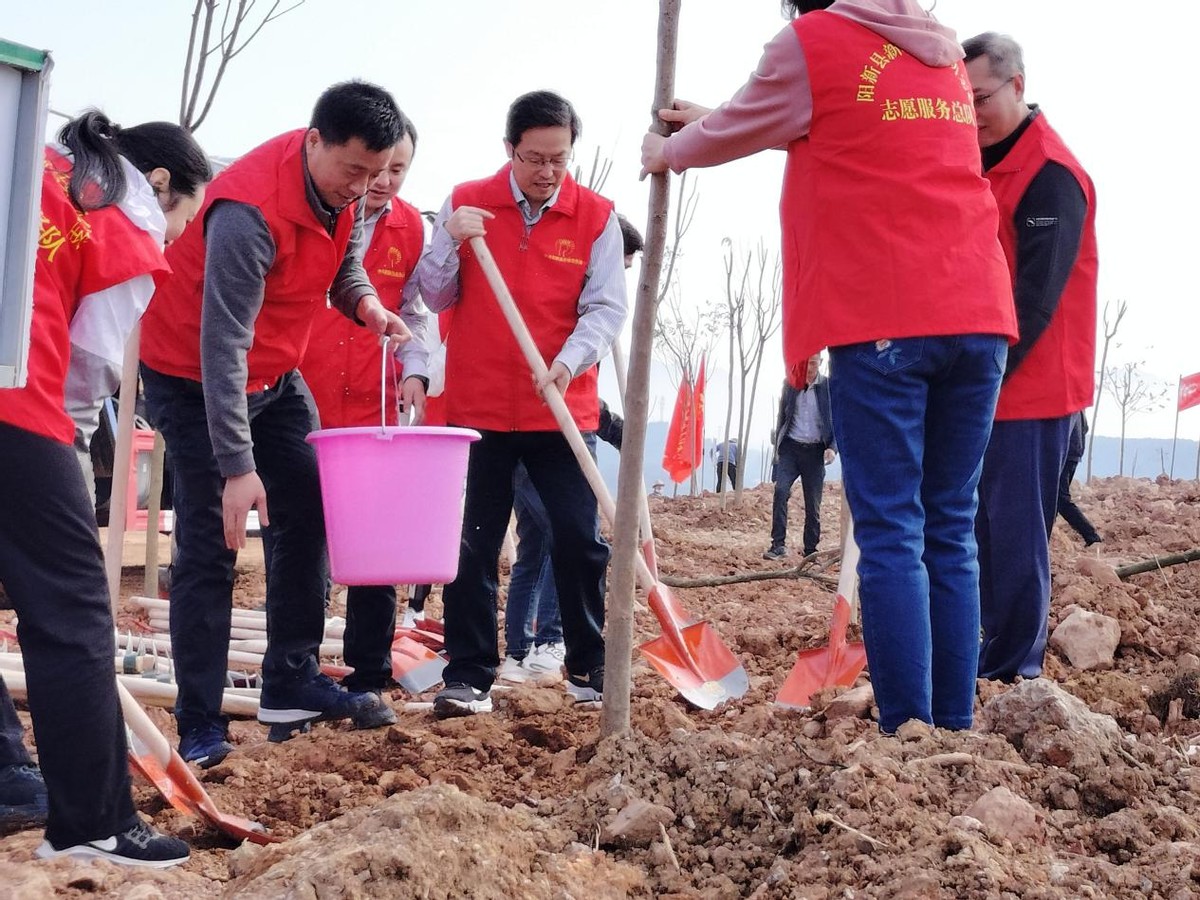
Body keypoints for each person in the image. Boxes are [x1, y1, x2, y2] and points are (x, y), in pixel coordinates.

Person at [642, 0, 1016, 734]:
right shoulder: (938, 50)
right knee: (948, 525)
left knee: (891, 529)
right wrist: (717, 117)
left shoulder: (813, 40)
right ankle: (951, 726)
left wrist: (667, 153)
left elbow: (746, 126)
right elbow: (853, 134)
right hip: (978, 310)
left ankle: (909, 728)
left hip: (887, 312)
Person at [139, 81, 411, 763]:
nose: (364, 187)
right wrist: (236, 467)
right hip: (195, 376)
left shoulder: (343, 195)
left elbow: (343, 265)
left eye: (377, 174)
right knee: (213, 544)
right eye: (353, 170)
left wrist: (368, 306)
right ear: (313, 140)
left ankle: (290, 678)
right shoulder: (247, 213)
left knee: (311, 503)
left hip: (277, 377)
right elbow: (221, 345)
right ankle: (200, 720)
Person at [0, 110, 209, 865]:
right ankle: (92, 823)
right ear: (160, 185)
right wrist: (66, 466)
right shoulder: (124, 222)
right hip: (17, 406)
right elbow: (86, 378)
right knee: (71, 615)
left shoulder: (38, 166)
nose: (179, 235)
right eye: (185, 216)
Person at [416, 90, 628, 717]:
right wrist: (449, 240)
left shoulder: (596, 217)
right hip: (479, 410)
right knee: (474, 545)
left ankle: (588, 667)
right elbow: (434, 293)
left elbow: (606, 308)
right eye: (534, 157)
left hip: (560, 410)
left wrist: (567, 363)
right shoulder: (466, 201)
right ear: (509, 149)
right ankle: (470, 674)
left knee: (577, 540)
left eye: (558, 159)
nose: (546, 171)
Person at [964, 33, 1098, 682]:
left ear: (1017, 85)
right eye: (960, 102)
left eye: (981, 98)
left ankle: (1017, 674)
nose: (971, 112)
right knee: (978, 535)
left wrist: (982, 379)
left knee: (1015, 539)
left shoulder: (1051, 175)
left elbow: (1036, 302)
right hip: (985, 382)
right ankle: (988, 663)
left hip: (1034, 389)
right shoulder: (979, 161)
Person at [298, 116, 431, 694]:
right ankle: (299, 665)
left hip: (375, 407)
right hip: (307, 397)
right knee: (304, 539)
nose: (383, 181)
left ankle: (369, 670)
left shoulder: (414, 231)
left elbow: (421, 312)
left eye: (397, 170)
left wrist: (418, 371)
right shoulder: (318, 210)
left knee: (377, 547)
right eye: (375, 169)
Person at [765, 354, 835, 560]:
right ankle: (778, 545)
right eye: (807, 362)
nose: (811, 367)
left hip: (815, 452)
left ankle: (810, 551)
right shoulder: (790, 384)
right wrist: (778, 444)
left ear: (820, 363)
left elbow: (837, 420)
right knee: (780, 491)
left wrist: (832, 447)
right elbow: (782, 416)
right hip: (790, 448)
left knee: (813, 504)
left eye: (815, 362)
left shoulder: (828, 388)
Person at [1057, 411, 1101, 546]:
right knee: (1056, 500)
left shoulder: (1065, 402)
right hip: (1074, 453)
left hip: (1064, 454)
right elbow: (1085, 427)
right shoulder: (1077, 405)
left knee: (1061, 500)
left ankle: (1092, 537)